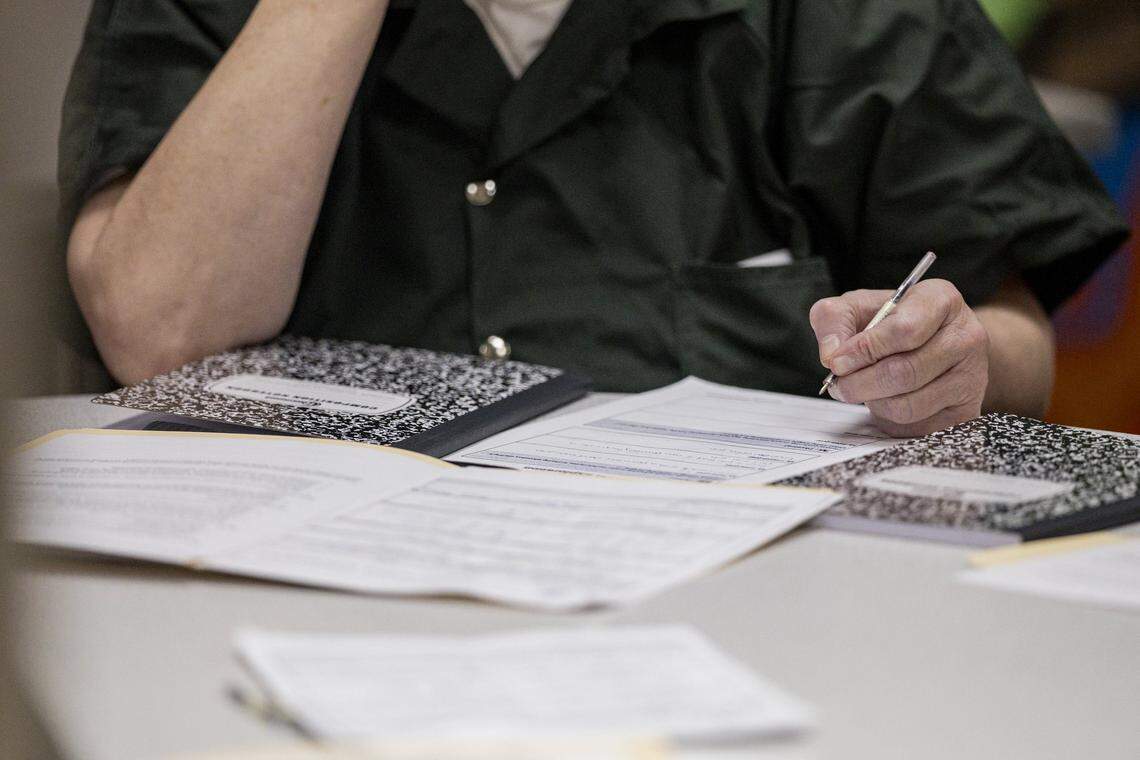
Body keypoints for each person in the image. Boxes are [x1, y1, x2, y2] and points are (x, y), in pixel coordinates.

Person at [59, 0, 1128, 436]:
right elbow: (162, 326)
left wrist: (949, 362)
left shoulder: (838, 17)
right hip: (293, 599)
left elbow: (1012, 334)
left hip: (749, 608)